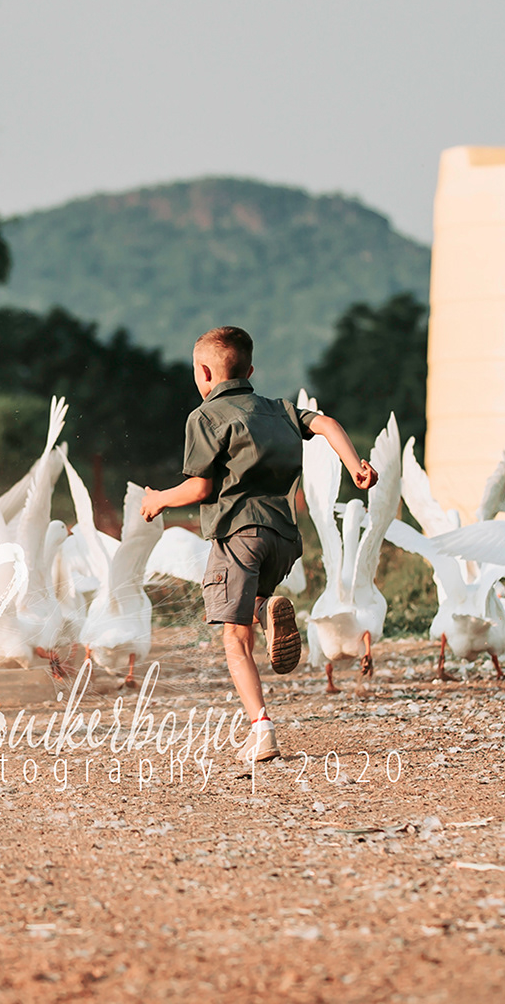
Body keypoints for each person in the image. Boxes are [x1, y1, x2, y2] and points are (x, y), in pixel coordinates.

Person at [140, 325, 376, 763]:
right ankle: (265, 609)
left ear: (203, 373)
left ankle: (262, 729)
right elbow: (325, 423)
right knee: (246, 616)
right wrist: (355, 466)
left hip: (238, 536)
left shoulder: (205, 417)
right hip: (283, 538)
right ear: (249, 371)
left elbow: (200, 488)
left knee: (233, 637)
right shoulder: (279, 410)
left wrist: (158, 500)